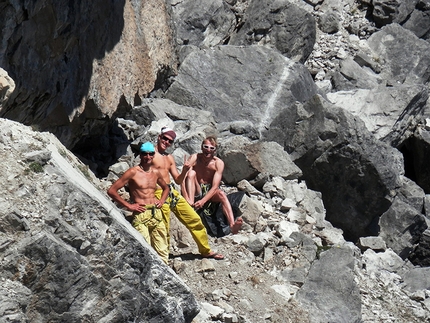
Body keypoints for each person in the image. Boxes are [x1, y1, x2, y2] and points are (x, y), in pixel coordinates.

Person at [152, 127, 224, 260]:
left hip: (171, 191)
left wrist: (185, 170)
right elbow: (139, 172)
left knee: (195, 220)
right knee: (163, 226)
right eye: (164, 138)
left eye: (170, 141)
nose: (166, 142)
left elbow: (178, 180)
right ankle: (163, 257)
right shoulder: (149, 153)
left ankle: (205, 250)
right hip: (157, 193)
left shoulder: (169, 158)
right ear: (159, 137)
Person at [107, 142, 170, 264]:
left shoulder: (156, 172)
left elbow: (166, 188)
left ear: (153, 155)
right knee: (145, 250)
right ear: (140, 155)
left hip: (156, 213)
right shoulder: (132, 172)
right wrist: (129, 206)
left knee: (162, 250)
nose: (148, 157)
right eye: (144, 154)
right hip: (141, 213)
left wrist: (162, 200)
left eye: (151, 154)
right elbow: (112, 191)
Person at [181, 136, 243, 234]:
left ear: (215, 150)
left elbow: (215, 187)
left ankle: (232, 225)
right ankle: (190, 203)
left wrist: (203, 201)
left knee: (222, 194)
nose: (208, 150)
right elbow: (183, 178)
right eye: (206, 147)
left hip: (209, 191)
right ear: (201, 147)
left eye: (211, 148)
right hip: (195, 188)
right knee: (191, 173)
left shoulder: (218, 163)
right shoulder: (194, 157)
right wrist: (185, 196)